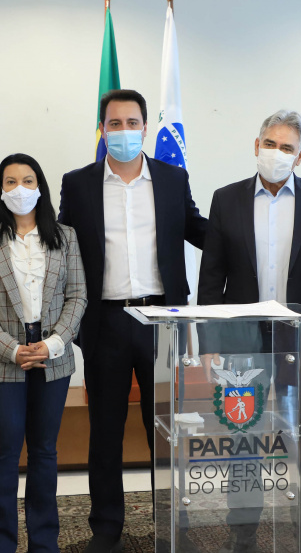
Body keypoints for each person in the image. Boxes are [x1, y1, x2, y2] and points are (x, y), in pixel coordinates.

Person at [58, 89, 207, 553]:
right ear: (102, 129)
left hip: (162, 318)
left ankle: (175, 522)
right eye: (114, 123)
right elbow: (60, 245)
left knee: (165, 430)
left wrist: (246, 234)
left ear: (145, 127)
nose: (124, 131)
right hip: (104, 321)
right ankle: (106, 528)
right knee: (105, 431)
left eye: (132, 122)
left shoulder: (171, 177)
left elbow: (198, 229)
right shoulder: (78, 183)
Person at [197, 110, 301, 553]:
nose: (277, 153)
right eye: (271, 144)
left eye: (287, 147)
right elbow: (212, 275)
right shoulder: (226, 199)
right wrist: (209, 341)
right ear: (256, 145)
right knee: (243, 440)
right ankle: (242, 532)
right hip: (242, 343)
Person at [0, 153, 87, 553]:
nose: (20, 189)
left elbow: (77, 296)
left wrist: (54, 343)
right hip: (1, 358)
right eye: (11, 182)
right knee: (5, 447)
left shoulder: (65, 236)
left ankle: (44, 543)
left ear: (40, 187)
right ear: (1, 190)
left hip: (53, 356)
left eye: (28, 181)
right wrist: (12, 349)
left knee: (45, 451)